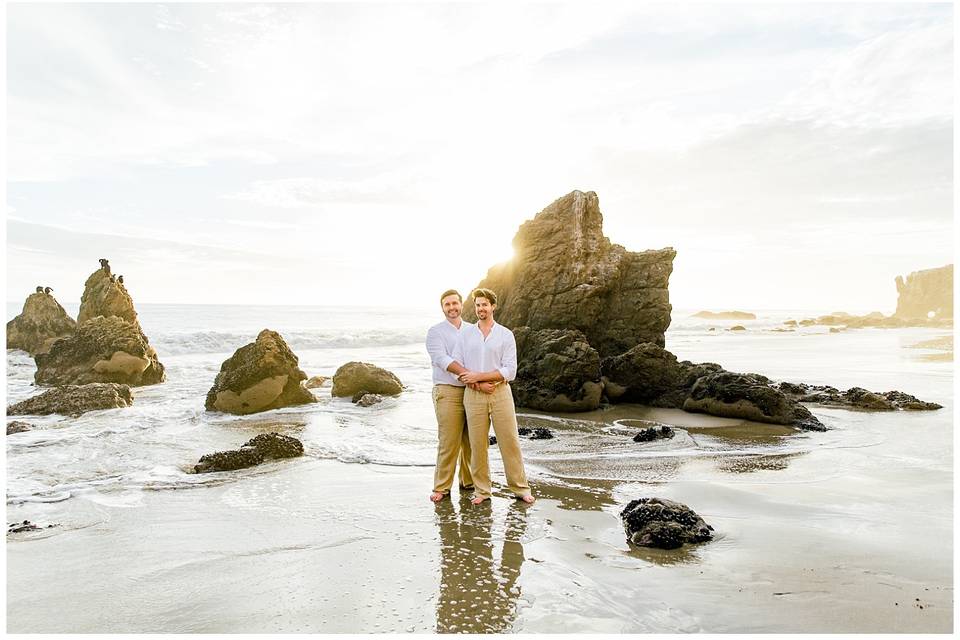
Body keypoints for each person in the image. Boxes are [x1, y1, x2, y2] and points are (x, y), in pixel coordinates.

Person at [449, 288, 534, 505]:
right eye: (477, 305)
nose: (480, 309)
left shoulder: (505, 334)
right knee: (477, 446)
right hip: (474, 395)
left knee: (510, 442)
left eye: (484, 304)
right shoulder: (465, 335)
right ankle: (482, 491)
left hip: (501, 393)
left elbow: (510, 370)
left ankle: (521, 489)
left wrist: (481, 376)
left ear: (493, 306)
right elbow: (458, 369)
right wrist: (478, 384)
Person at [425, 289, 496, 502]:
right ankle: (441, 487)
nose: (452, 307)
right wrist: (474, 378)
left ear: (461, 304)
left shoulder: (472, 330)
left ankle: (469, 482)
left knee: (474, 440)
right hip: (448, 390)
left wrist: (478, 380)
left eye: (454, 303)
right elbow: (442, 360)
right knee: (449, 440)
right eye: (447, 304)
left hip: (473, 390)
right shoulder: (435, 332)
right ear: (442, 308)